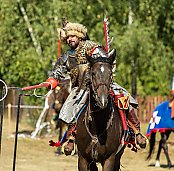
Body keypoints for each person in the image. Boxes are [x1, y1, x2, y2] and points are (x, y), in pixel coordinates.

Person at [46, 20, 146, 155]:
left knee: (124, 98)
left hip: (101, 85)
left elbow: (105, 63)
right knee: (71, 108)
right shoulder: (67, 56)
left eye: (73, 36)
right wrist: (52, 80)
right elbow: (57, 71)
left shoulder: (93, 47)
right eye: (68, 37)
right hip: (80, 89)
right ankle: (71, 138)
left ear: (80, 36)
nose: (70, 39)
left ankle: (136, 132)